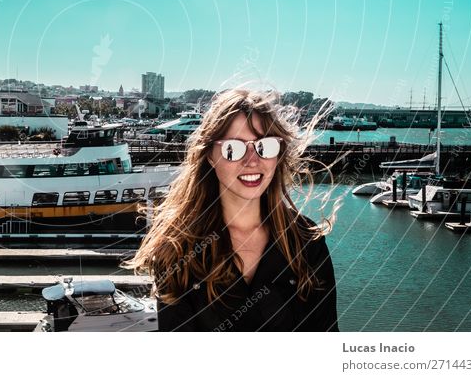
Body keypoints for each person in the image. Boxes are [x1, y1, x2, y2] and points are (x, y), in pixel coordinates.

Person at [127, 88, 338, 331]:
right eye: (232, 149)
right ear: (209, 156)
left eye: (265, 146)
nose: (252, 160)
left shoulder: (306, 241)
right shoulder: (178, 248)